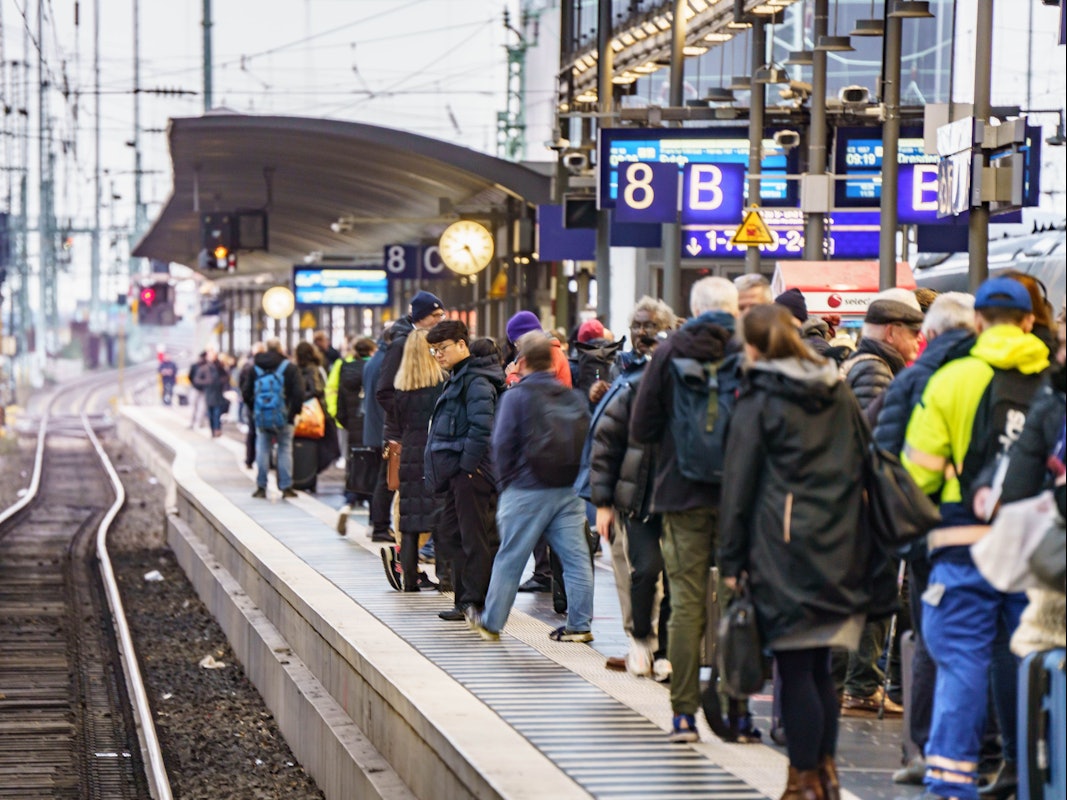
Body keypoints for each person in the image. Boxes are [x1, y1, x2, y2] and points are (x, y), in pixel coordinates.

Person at [719, 303, 894, 800]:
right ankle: (826, 771)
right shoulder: (836, 388)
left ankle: (801, 781)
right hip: (845, 544)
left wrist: (732, 561)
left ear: (755, 347)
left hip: (785, 548)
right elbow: (867, 459)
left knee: (796, 668)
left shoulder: (760, 395)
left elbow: (739, 484)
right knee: (823, 668)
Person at [902, 276, 1050, 800]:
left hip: (963, 543)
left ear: (980, 322)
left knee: (961, 657)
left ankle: (950, 779)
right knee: (1023, 655)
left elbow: (917, 473)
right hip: (1035, 550)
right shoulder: (1052, 383)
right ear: (1030, 322)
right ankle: (1026, 767)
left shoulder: (953, 379)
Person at [630, 276, 752, 743]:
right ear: (734, 307)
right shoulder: (751, 347)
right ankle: (737, 714)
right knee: (739, 603)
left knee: (684, 605)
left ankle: (683, 716)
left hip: (682, 496)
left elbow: (641, 428)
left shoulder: (668, 351)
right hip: (740, 499)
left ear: (693, 308)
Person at [869, 291, 977, 784]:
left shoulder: (912, 379)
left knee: (933, 638)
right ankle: (979, 749)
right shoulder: (988, 379)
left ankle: (927, 749)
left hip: (925, 538)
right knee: (978, 641)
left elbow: (886, 460)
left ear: (930, 334)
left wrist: (899, 537)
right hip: (985, 532)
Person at [466, 333, 595, 642]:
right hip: (568, 490)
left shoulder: (516, 396)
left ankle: (492, 623)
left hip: (526, 488)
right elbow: (589, 442)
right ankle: (579, 626)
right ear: (552, 362)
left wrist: (507, 484)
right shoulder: (572, 396)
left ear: (521, 362)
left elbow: (501, 444)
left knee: (510, 557)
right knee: (576, 559)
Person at [586, 295, 677, 677]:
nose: (643, 333)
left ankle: (663, 649)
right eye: (638, 326)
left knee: (673, 573)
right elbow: (607, 443)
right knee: (641, 569)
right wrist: (603, 502)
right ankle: (640, 640)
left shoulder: (678, 372)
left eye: (650, 326)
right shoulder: (625, 374)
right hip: (635, 494)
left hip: (674, 493)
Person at [425, 319, 505, 621]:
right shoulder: (459, 377)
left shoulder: (476, 381)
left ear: (462, 344)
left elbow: (482, 428)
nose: (439, 355)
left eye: (442, 348)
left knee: (473, 538)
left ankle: (473, 601)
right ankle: (464, 599)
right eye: (434, 351)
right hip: (458, 472)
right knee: (452, 534)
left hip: (472, 473)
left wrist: (468, 467)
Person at [383, 329, 446, 592]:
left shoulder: (400, 388)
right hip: (434, 453)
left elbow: (395, 427)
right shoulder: (442, 384)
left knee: (408, 520)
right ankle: (446, 577)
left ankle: (409, 579)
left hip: (409, 454)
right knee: (440, 517)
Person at [240, 338, 306, 499]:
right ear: (281, 349)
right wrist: (293, 413)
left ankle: (261, 487)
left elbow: (246, 392)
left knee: (262, 448)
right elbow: (299, 393)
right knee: (284, 449)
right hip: (285, 416)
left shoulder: (255, 367)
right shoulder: (289, 367)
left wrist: (255, 410)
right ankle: (286, 487)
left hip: (262, 416)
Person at [331, 336, 377, 533]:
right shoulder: (377, 368)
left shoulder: (345, 369)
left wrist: (347, 423)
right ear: (371, 350)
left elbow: (340, 403)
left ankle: (348, 503)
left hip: (353, 428)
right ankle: (374, 523)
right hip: (373, 429)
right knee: (375, 474)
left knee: (356, 469)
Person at [362, 327, 398, 542]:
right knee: (386, 481)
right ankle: (380, 526)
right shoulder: (387, 361)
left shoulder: (374, 359)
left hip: (374, 428)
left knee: (381, 479)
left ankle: (376, 522)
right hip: (383, 429)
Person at [201, 348, 230, 438]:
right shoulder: (203, 367)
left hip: (218, 392)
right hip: (209, 392)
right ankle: (213, 429)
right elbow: (197, 379)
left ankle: (217, 428)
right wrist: (206, 382)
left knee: (217, 412)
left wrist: (221, 382)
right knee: (210, 413)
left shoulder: (219, 366)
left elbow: (226, 376)